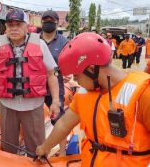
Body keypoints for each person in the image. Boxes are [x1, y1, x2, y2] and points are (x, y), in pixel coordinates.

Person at [36, 32, 150, 167]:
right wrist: (44, 147)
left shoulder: (143, 94)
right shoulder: (84, 94)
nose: (76, 80)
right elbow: (64, 124)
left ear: (91, 69)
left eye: (76, 76)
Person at [0, 9, 60, 155]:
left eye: (18, 24)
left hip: (34, 106)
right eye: (10, 25)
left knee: (36, 149)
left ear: (26, 26)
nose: (14, 28)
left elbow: (51, 74)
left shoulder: (40, 45)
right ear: (6, 28)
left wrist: (55, 101)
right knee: (8, 148)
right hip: (7, 105)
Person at [40, 10, 68, 156]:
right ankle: (40, 150)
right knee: (35, 121)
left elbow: (68, 62)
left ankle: (62, 152)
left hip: (56, 88)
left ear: (57, 23)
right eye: (45, 20)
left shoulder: (64, 42)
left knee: (58, 120)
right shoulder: (33, 40)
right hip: (36, 87)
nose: (48, 22)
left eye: (51, 20)